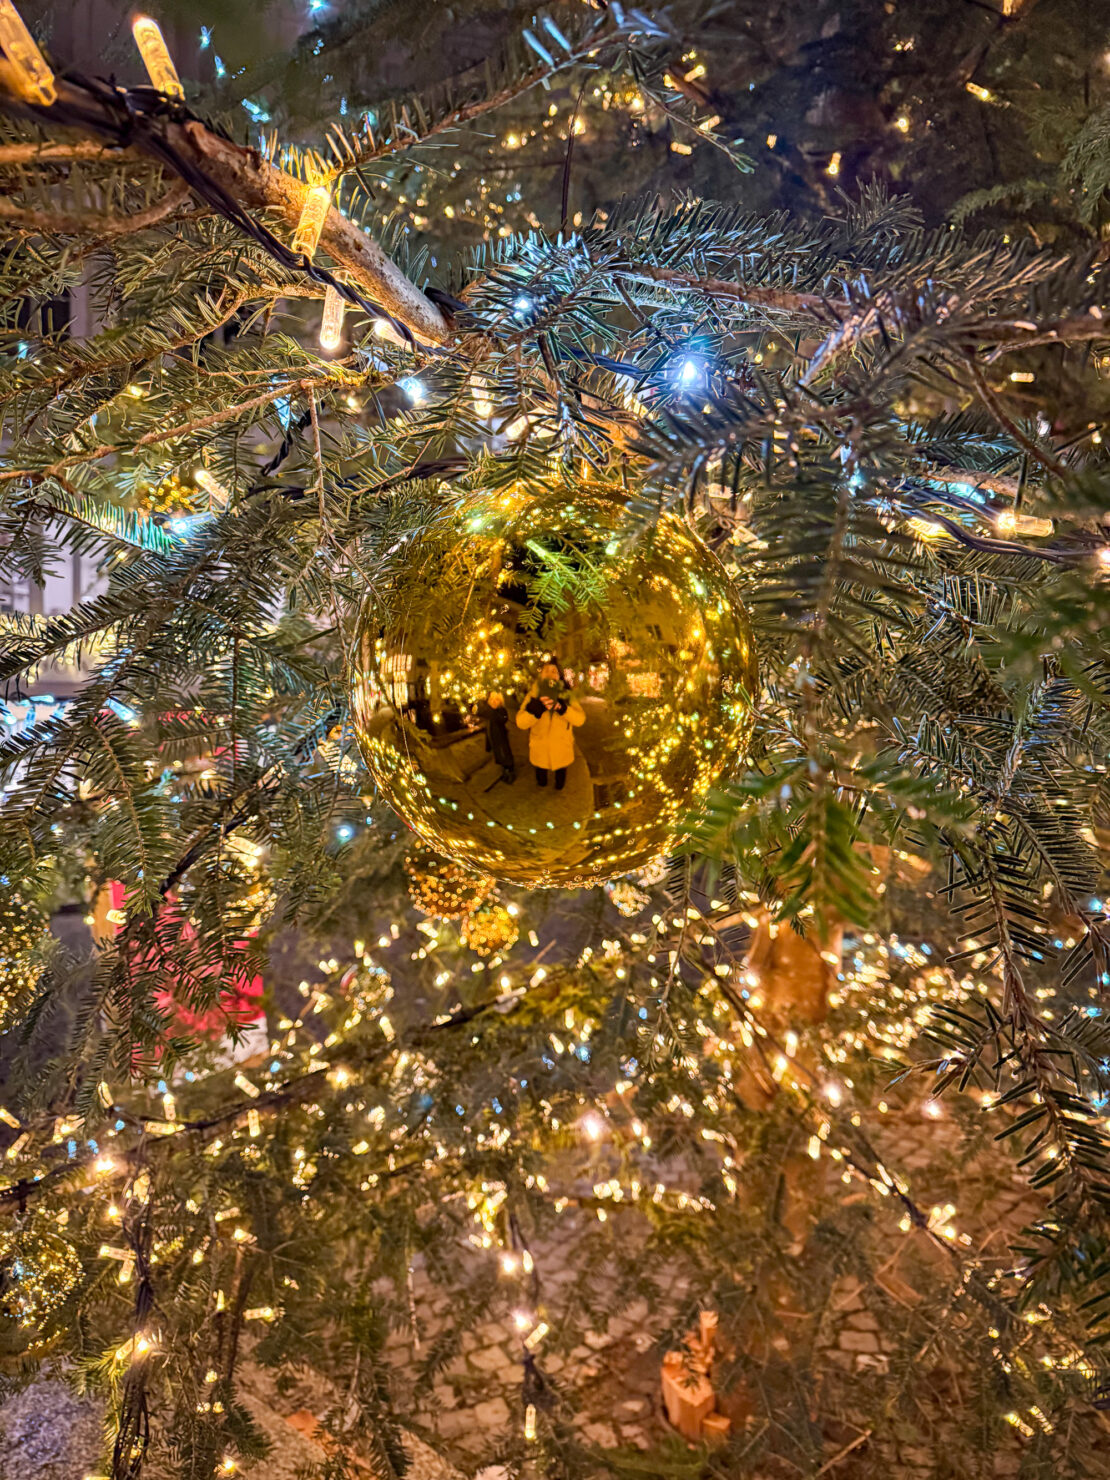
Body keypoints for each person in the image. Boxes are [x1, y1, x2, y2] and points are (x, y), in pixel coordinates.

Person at [515, 660, 585, 791]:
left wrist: (564, 709)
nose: (550, 674)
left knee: (560, 777)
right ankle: (542, 783)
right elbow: (520, 722)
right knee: (541, 777)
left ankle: (559, 785)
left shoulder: (567, 696)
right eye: (546, 671)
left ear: (559, 676)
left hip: (562, 748)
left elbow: (580, 720)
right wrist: (534, 712)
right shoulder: (532, 695)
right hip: (539, 748)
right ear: (540, 675)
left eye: (554, 671)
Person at [477, 690, 516, 783]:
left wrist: (489, 709)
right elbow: (479, 712)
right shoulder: (488, 711)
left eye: (496, 699)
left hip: (501, 738)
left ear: (501, 701)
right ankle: (505, 770)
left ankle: (510, 772)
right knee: (499, 755)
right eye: (491, 699)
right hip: (493, 738)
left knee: (505, 754)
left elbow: (500, 719)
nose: (493, 701)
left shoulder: (501, 711)